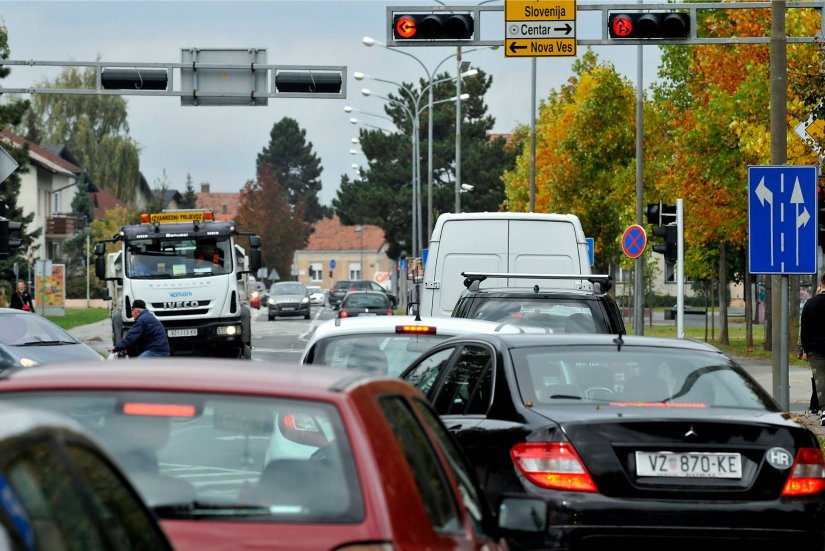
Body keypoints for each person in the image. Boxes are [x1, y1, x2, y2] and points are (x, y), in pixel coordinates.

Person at [800, 273, 825, 425]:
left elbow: (805, 329)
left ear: (821, 284)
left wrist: (806, 349)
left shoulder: (810, 303)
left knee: (820, 380)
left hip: (815, 350)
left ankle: (824, 410)